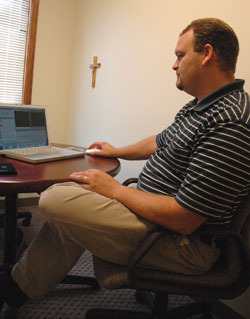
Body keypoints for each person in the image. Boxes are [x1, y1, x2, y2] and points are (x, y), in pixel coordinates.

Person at [1, 17, 250, 310]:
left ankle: (18, 285)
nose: (174, 65)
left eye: (180, 55)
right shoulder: (199, 107)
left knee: (55, 196)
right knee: (70, 203)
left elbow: (185, 219)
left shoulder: (229, 122)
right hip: (149, 217)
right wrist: (116, 150)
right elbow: (158, 141)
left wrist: (113, 190)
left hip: (179, 244)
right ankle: (18, 287)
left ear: (207, 53)